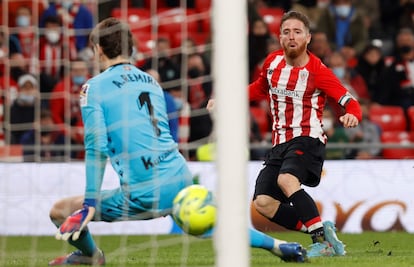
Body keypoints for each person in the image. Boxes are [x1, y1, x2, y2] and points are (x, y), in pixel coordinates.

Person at [48, 17, 306, 266]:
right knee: (212, 224)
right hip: (178, 175)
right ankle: (278, 245)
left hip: (143, 192)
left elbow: (96, 148)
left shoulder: (92, 88)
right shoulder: (151, 81)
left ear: (99, 50)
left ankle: (91, 255)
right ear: (131, 48)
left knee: (59, 211)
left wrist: (89, 205)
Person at [208, 10, 361, 257]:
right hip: (280, 143)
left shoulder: (317, 71)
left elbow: (349, 101)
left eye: (297, 32)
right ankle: (320, 229)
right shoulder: (272, 63)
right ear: (280, 37)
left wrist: (353, 114)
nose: (292, 36)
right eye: (286, 31)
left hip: (308, 138)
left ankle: (323, 243)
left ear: (308, 38)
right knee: (263, 204)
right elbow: (258, 89)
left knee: (286, 180)